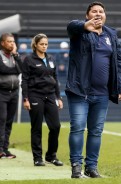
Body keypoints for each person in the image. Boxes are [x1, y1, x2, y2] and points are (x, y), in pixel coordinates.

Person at [66, 1, 121, 179]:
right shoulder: (79, 31)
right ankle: (76, 166)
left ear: (105, 15)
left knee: (96, 131)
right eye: (94, 11)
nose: (98, 14)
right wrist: (85, 26)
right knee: (77, 128)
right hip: (79, 91)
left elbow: (119, 62)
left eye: (101, 11)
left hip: (101, 94)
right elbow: (71, 26)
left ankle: (91, 167)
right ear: (87, 15)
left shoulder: (111, 35)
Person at [21, 33, 64, 166]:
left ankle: (51, 156)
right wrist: (25, 99)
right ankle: (37, 158)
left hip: (50, 96)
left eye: (46, 44)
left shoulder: (51, 59)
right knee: (37, 127)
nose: (44, 46)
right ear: (35, 45)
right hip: (35, 95)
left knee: (56, 126)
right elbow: (25, 80)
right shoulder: (29, 60)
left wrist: (59, 97)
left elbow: (55, 79)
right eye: (42, 44)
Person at [0, 33, 23, 159]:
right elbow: (3, 69)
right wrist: (16, 69)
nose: (12, 44)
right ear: (2, 43)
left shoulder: (15, 56)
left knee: (9, 122)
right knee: (1, 120)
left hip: (14, 93)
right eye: (9, 41)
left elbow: (23, 69)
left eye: (13, 41)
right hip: (1, 92)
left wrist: (16, 55)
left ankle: (5, 149)